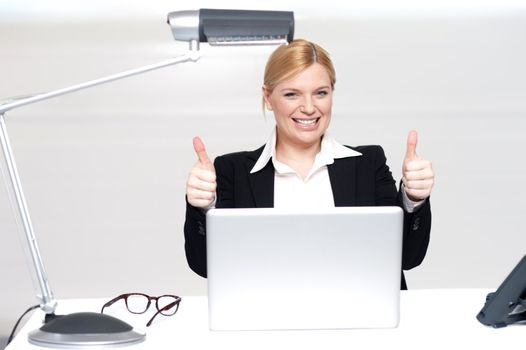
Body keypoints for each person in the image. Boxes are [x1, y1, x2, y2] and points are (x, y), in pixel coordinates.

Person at [184, 39, 434, 290]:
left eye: (320, 93)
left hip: (361, 317)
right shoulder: (233, 171)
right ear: (268, 97)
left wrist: (414, 198)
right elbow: (204, 266)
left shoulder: (368, 165)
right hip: (268, 319)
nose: (308, 108)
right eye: (292, 94)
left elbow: (408, 258)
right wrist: (204, 208)